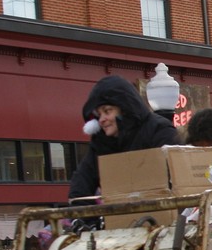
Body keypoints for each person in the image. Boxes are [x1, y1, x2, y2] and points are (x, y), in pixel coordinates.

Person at [69, 75, 180, 203]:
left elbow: (175, 175)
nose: (102, 119)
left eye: (107, 111)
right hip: (118, 216)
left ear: (124, 109)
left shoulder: (158, 129)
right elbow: (82, 181)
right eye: (99, 114)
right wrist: (85, 219)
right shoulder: (100, 143)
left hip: (161, 213)